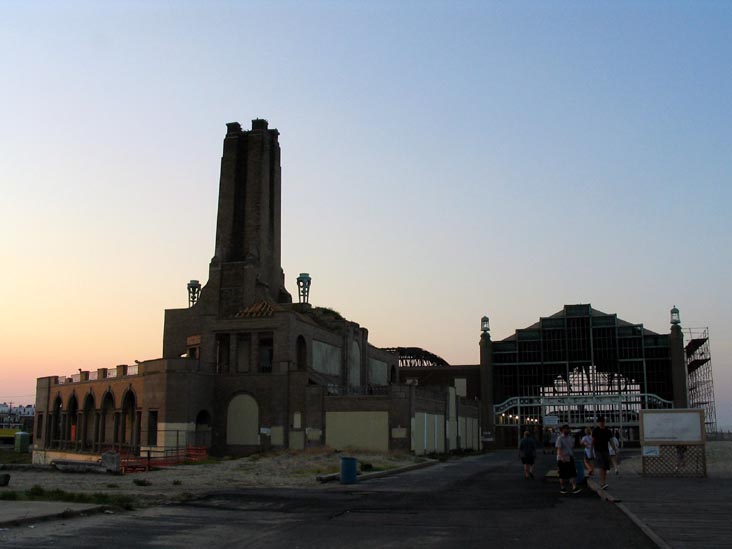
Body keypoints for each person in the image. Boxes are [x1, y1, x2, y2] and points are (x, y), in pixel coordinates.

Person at [555, 423, 581, 494]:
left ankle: (574, 487)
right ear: (562, 430)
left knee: (573, 473)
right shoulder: (560, 438)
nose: (567, 430)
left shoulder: (570, 438)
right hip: (562, 458)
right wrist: (562, 457)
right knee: (562, 474)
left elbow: (571, 447)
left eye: (568, 429)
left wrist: (572, 455)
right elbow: (559, 449)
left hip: (570, 457)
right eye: (566, 429)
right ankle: (562, 488)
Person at [591, 416, 616, 490]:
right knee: (601, 466)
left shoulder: (608, 431)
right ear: (598, 423)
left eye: (602, 422)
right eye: (600, 422)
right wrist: (591, 451)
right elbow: (592, 442)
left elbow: (611, 440)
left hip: (605, 450)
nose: (601, 423)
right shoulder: (595, 431)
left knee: (605, 467)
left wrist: (614, 448)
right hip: (598, 450)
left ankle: (603, 482)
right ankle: (602, 483)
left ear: (604, 422)